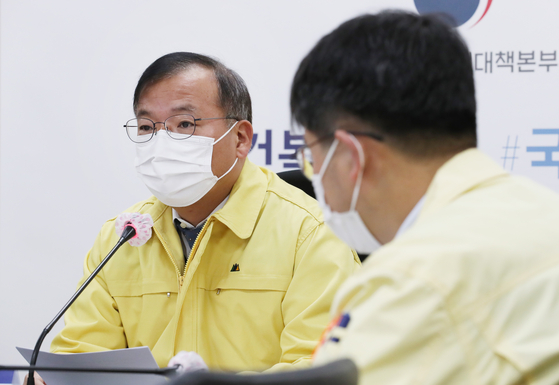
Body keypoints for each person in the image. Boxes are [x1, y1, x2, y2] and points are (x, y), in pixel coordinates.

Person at [290, 11, 559, 384]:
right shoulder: (545, 212)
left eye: (312, 157)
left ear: (351, 156)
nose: (315, 174)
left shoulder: (410, 277)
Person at [48, 52, 360, 373]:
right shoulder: (123, 236)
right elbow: (82, 359)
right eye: (146, 127)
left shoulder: (312, 232)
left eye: (184, 124)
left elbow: (318, 370)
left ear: (240, 138)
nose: (161, 141)